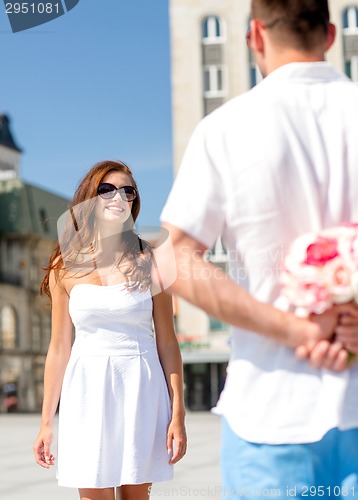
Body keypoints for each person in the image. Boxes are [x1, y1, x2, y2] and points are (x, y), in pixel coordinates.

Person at [160, 0, 358, 498]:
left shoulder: (225, 127)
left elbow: (176, 259)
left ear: (254, 36)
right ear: (330, 35)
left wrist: (296, 328)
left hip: (271, 411)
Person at [33, 160, 187, 500]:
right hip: (86, 389)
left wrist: (178, 413)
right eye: (107, 189)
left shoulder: (153, 259)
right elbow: (59, 348)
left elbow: (167, 342)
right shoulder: (63, 265)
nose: (119, 197)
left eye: (128, 191)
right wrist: (46, 421)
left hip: (140, 386)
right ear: (90, 199)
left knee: (136, 496)